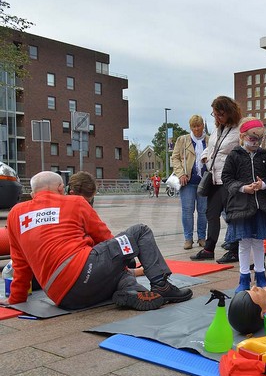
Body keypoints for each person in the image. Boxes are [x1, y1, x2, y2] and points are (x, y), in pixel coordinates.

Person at [1, 171, 192, 310]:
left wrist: (16, 299)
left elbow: (20, 263)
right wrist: (126, 258)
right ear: (61, 189)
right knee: (140, 231)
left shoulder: (16, 214)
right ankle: (162, 286)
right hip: (85, 270)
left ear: (33, 193)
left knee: (115, 272)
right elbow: (104, 238)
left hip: (63, 297)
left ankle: (131, 292)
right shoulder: (74, 202)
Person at [222, 118, 266, 292]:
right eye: (252, 139)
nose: (256, 143)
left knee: (258, 241)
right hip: (241, 206)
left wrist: (263, 185)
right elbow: (227, 178)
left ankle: (261, 276)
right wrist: (241, 188)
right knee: (244, 243)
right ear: (243, 136)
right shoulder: (234, 155)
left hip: (261, 206)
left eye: (259, 140)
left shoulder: (265, 156)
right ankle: (244, 277)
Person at [191, 96, 241, 263]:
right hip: (213, 178)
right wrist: (205, 157)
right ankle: (208, 248)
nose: (217, 118)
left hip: (229, 179)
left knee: (232, 215)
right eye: (214, 115)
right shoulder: (217, 130)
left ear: (229, 112)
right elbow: (211, 148)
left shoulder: (238, 130)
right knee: (211, 214)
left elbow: (239, 153)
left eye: (220, 114)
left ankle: (234, 249)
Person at [172, 115, 210, 250]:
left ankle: (202, 238)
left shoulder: (209, 140)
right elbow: (175, 158)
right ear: (190, 128)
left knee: (203, 211)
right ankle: (188, 239)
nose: (196, 129)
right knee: (187, 211)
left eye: (198, 126)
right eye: (193, 127)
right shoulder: (183, 140)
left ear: (202, 126)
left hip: (204, 182)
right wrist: (181, 173)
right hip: (187, 182)